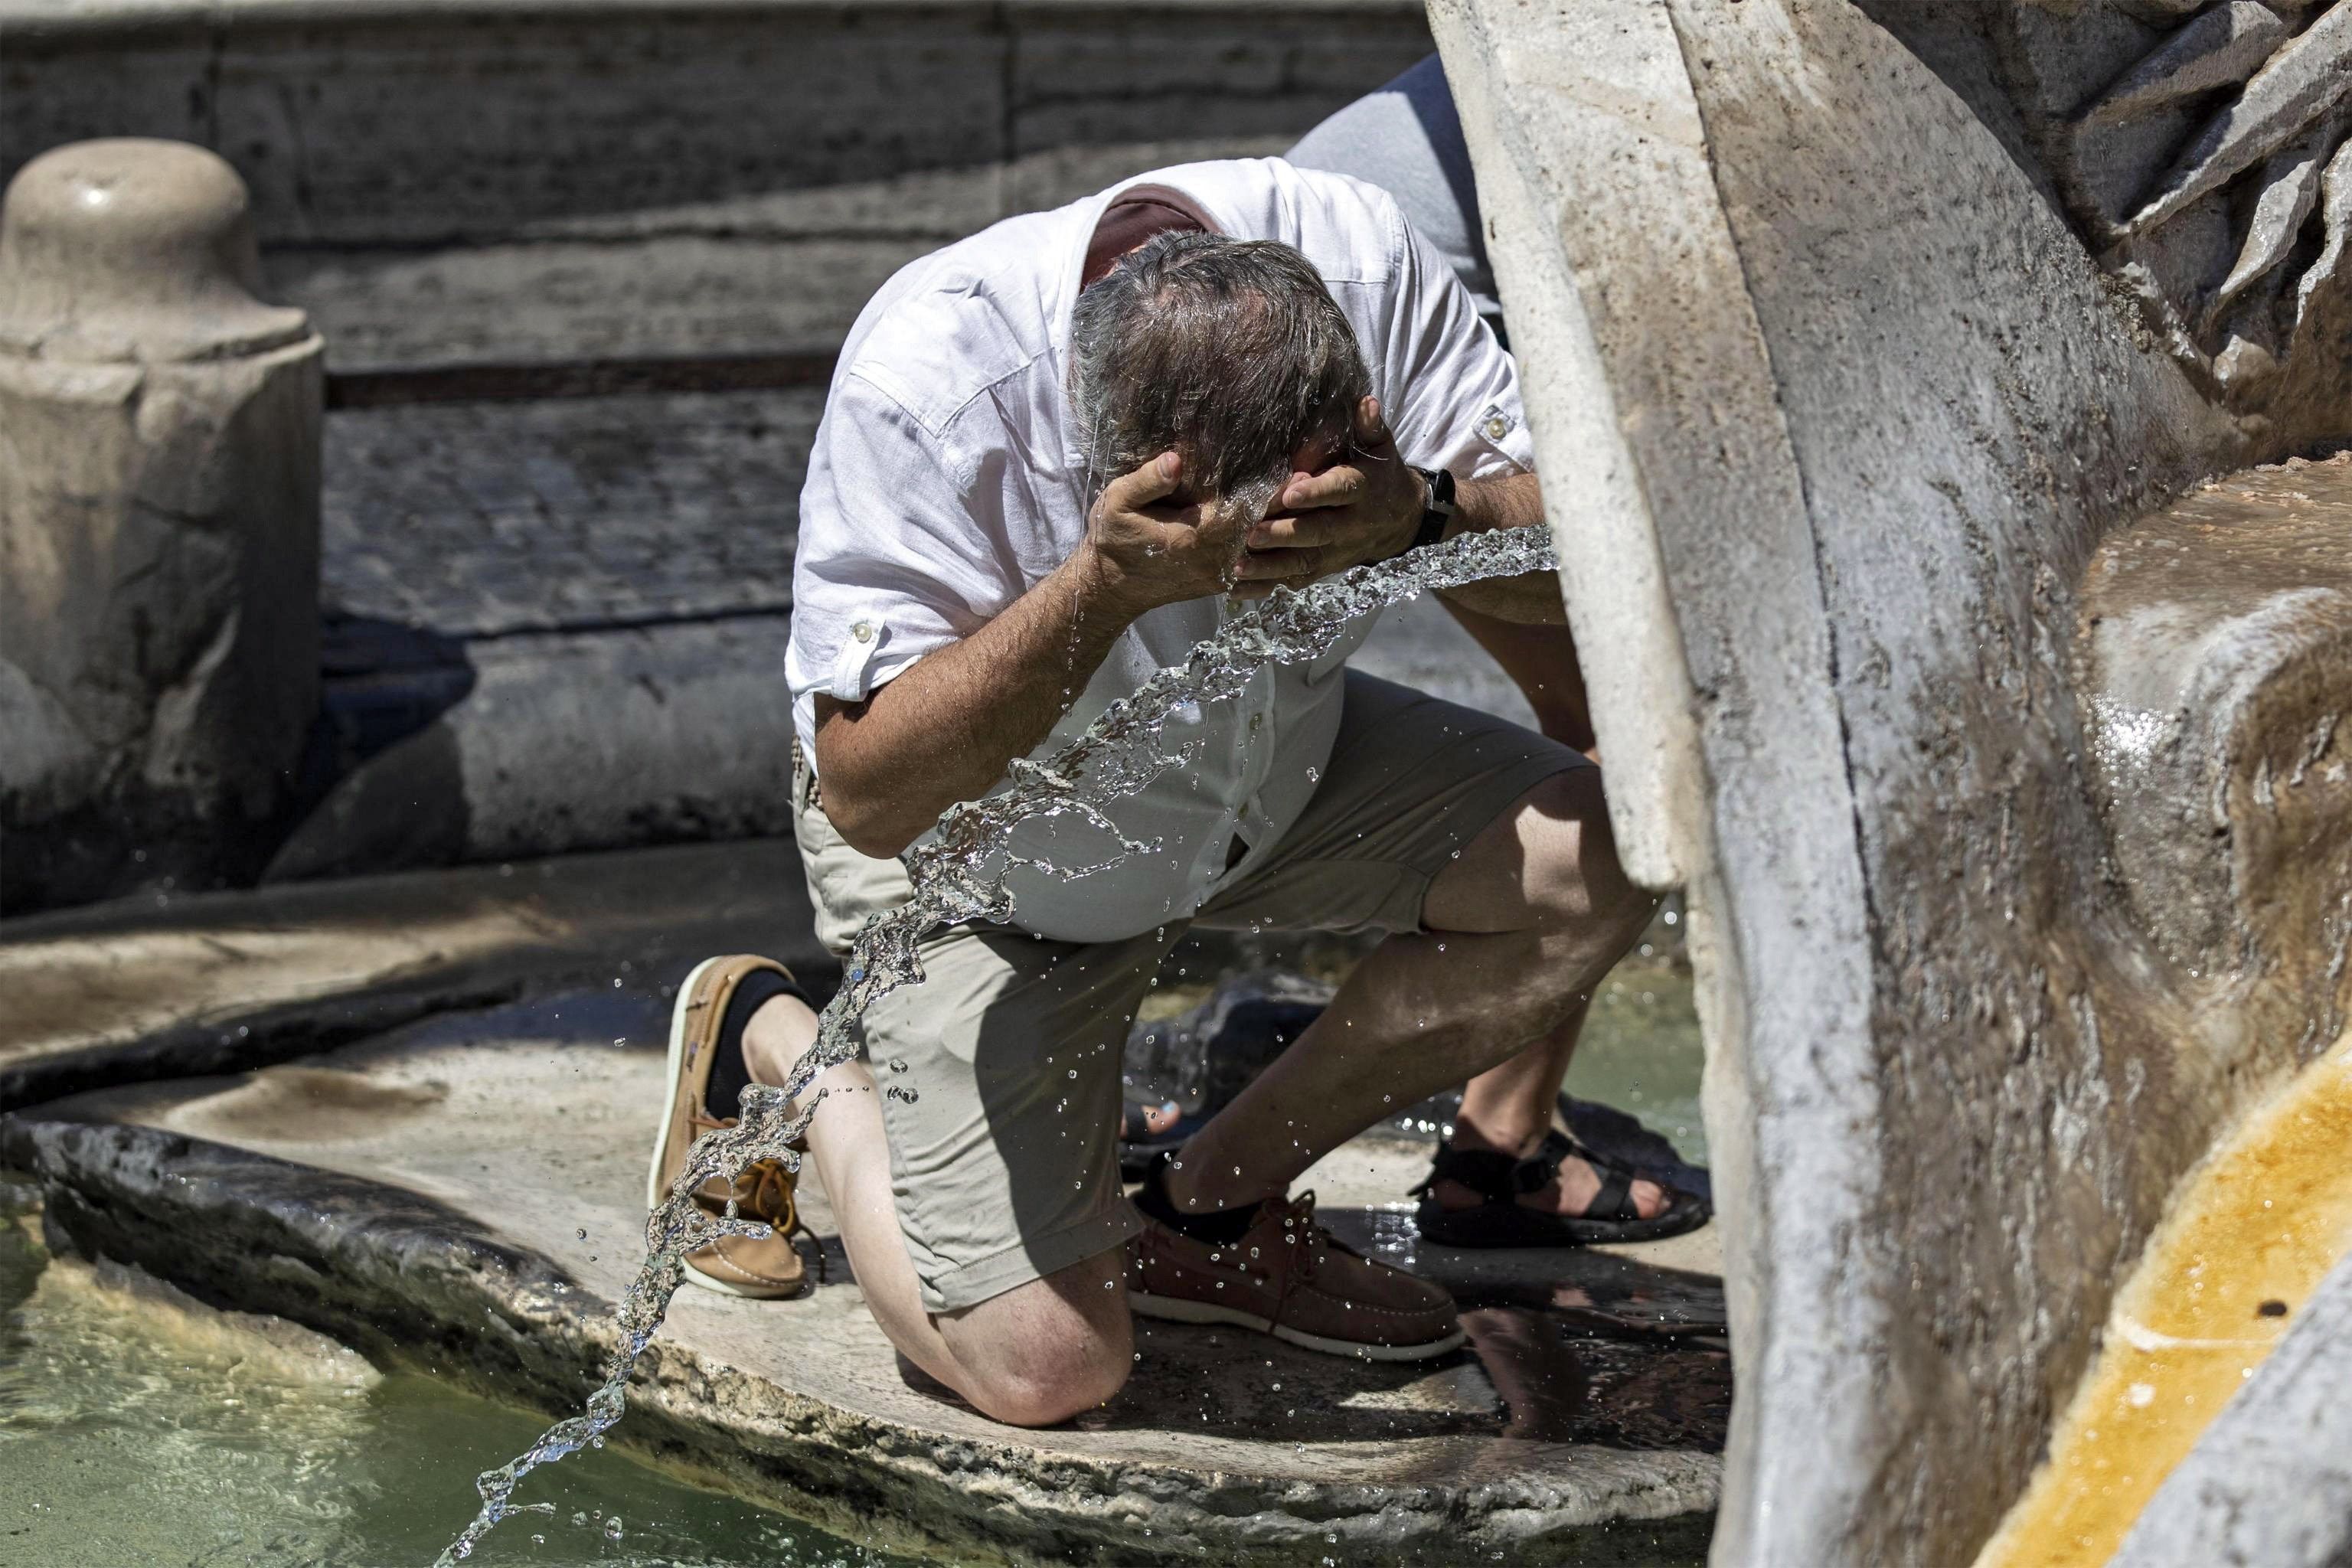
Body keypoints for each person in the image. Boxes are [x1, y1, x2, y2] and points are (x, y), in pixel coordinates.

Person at [646, 157, 1703, 1429]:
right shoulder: (930, 378)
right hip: (981, 862)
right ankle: (775, 1042)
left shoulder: (1359, 257)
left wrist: (1424, 518)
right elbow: (868, 791)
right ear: (1122, 451)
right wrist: (1100, 590)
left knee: (1610, 857)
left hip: (1271, 771)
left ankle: (1207, 1211)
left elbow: (1593, 552)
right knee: (1048, 1369)